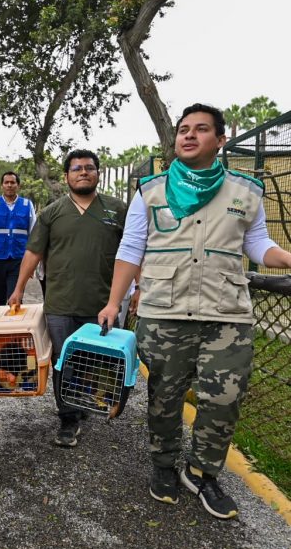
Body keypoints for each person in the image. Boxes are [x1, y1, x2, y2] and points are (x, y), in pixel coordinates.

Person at [98, 103, 291, 520]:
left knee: (223, 399)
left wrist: (287, 257)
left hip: (228, 315)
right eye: (183, 129)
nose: (188, 135)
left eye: (201, 129)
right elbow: (132, 249)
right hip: (165, 312)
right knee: (164, 397)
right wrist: (114, 303)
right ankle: (164, 465)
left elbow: (257, 245)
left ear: (220, 141)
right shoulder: (151, 190)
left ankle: (202, 472)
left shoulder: (246, 191)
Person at [8, 149, 127, 447]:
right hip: (60, 303)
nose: (83, 172)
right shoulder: (52, 213)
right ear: (66, 176)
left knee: (91, 361)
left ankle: (81, 400)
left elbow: (132, 252)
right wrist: (19, 288)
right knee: (63, 360)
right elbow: (33, 252)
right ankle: (68, 419)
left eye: (89, 168)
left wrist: (138, 290)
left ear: (98, 173)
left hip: (102, 304)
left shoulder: (117, 209)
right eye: (76, 168)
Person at [0, 171, 36, 306]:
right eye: (6, 182)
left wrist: (32, 264)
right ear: (2, 185)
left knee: (15, 300)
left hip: (19, 261)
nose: (9, 185)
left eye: (12, 182)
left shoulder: (27, 205)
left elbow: (34, 235)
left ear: (18, 185)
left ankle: (14, 326)